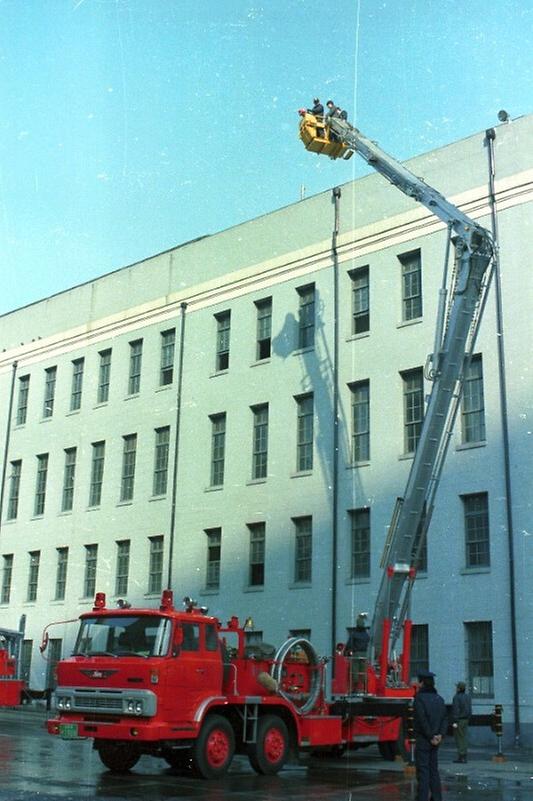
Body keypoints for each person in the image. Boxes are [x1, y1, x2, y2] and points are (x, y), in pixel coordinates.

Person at [413, 670, 448, 801]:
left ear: (422, 683)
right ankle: (437, 798)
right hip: (436, 741)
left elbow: (422, 721)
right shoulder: (439, 699)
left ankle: (422, 798)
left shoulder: (419, 699)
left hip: (424, 740)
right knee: (434, 770)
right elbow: (445, 719)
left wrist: (430, 736)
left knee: (423, 772)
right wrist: (440, 735)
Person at [344, 613, 369, 692]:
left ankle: (354, 688)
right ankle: (365, 688)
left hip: (356, 654)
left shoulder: (354, 634)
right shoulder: (366, 635)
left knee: (355, 670)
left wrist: (345, 652)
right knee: (363, 671)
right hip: (364, 654)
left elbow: (349, 644)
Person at [451, 681, 472, 763]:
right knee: (464, 737)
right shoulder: (468, 697)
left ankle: (461, 756)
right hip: (466, 719)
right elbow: (469, 709)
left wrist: (455, 721)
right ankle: (464, 755)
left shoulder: (456, 697)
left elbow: (456, 710)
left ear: (459, 688)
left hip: (459, 720)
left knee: (459, 738)